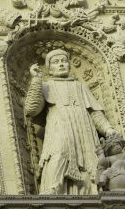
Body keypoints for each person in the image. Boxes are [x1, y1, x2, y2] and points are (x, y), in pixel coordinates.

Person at [23, 48, 118, 195]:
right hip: (60, 127)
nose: (61, 64)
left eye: (64, 61)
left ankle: (89, 192)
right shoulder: (46, 86)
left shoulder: (80, 87)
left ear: (69, 65)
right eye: (56, 62)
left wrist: (108, 129)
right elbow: (31, 109)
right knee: (58, 154)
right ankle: (53, 190)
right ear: (49, 69)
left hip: (84, 130)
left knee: (88, 161)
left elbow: (94, 113)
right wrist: (36, 79)